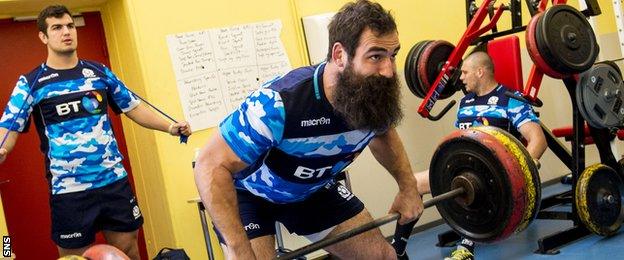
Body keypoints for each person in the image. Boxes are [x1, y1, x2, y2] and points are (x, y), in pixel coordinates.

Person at [193, 0, 423, 259]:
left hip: (311, 192)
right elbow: (208, 165)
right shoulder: (277, 104)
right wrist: (238, 248)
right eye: (375, 56)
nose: (388, 71)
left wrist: (408, 188)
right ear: (339, 55)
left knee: (383, 256)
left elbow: (382, 132)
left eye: (392, 56)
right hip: (249, 194)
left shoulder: (371, 96)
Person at [0, 5, 191, 259]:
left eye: (70, 25)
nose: (66, 32)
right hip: (69, 191)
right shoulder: (32, 83)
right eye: (57, 28)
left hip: (113, 181)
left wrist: (169, 126)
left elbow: (134, 107)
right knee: (74, 259)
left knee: (128, 251)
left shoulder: (99, 72)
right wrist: (2, 149)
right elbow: (9, 126)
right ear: (44, 37)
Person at [414, 51, 547, 260]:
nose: (461, 77)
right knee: (413, 183)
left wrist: (522, 172)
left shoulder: (511, 100)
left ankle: (465, 248)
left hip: (498, 176)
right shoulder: (465, 104)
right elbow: (459, 143)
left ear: (480, 72)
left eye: (465, 72)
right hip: (465, 169)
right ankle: (398, 249)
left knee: (473, 188)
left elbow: (538, 140)